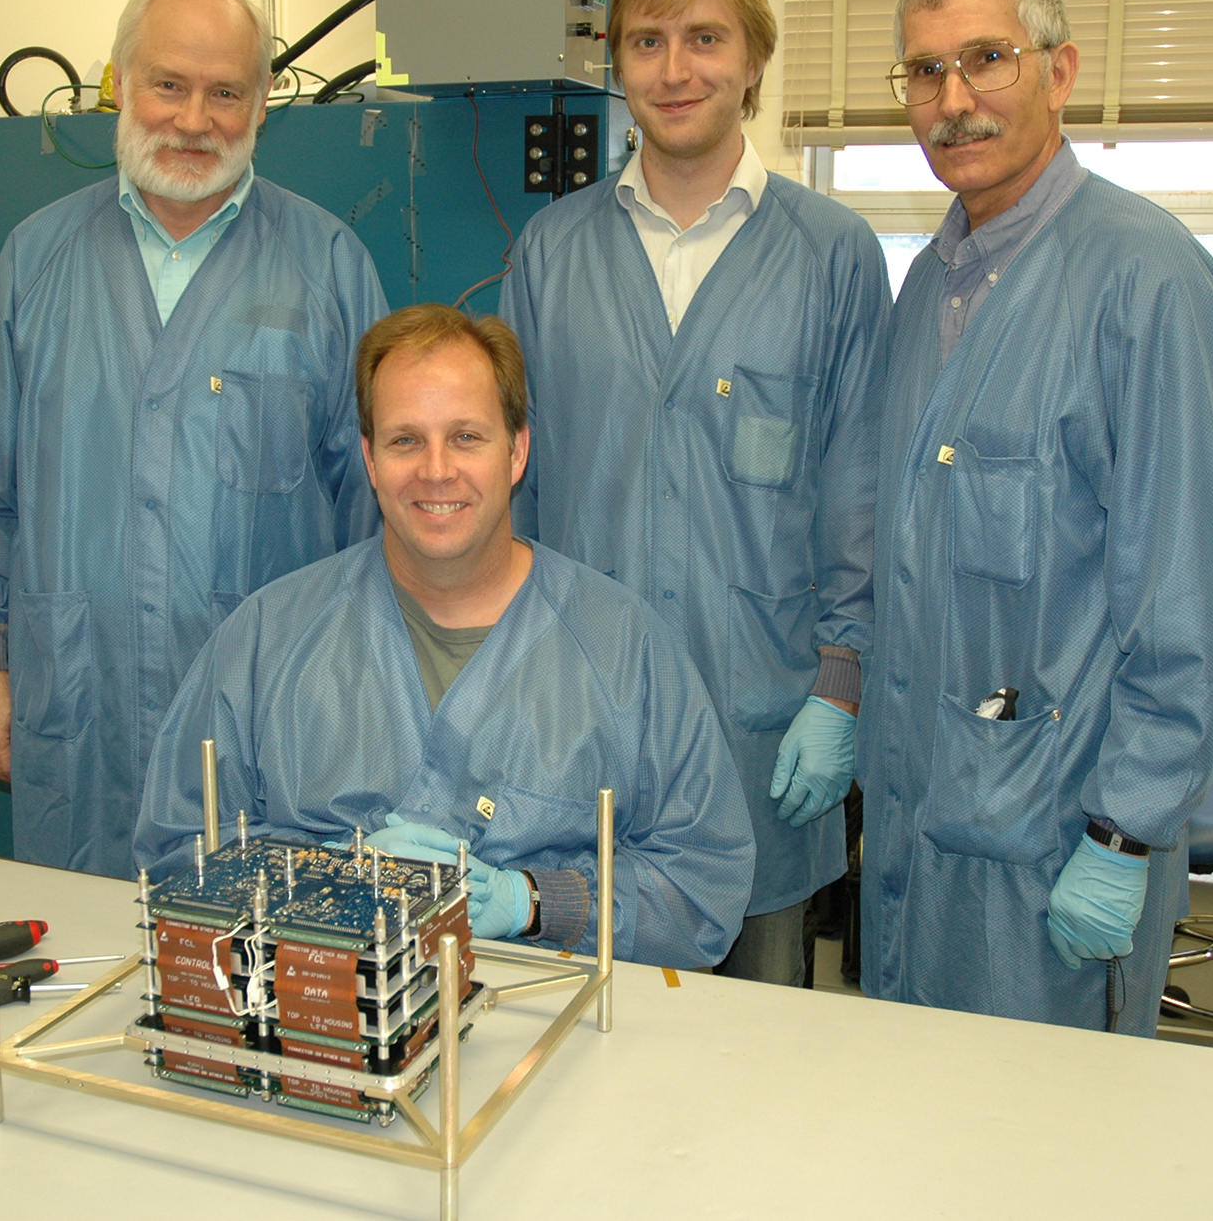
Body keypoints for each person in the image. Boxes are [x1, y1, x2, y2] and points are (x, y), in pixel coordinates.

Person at [858, 0, 1213, 1035]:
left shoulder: (1150, 286)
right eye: (924, 71)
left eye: (985, 58)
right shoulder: (926, 289)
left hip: (1058, 844)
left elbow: (1193, 609)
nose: (953, 100)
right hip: (917, 828)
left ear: (1060, 71)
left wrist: (1125, 833)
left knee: (1053, 1127)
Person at [499, 0, 891, 984]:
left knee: (755, 1045)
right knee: (582, 1031)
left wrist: (840, 686)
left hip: (760, 724)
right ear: (615, 65)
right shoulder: (550, 252)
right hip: (577, 718)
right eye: (647, 41)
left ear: (754, 58)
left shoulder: (833, 256)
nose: (675, 69)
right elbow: (512, 488)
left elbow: (858, 491)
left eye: (705, 38)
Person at [133, 305, 754, 969]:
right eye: (405, 440)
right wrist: (325, 880)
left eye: (465, 436)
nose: (435, 470)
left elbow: (701, 886)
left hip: (552, 1016)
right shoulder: (264, 641)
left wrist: (534, 902)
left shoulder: (626, 649)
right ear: (369, 459)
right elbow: (173, 855)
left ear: (516, 450)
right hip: (325, 1013)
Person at [0, 0, 385, 879]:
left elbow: (375, 499)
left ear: (261, 105)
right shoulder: (36, 260)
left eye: (225, 92)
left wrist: (364, 687)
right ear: (117, 83)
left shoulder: (328, 265)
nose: (193, 119)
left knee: (258, 941)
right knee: (87, 936)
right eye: (168, 84)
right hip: (77, 698)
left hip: (266, 706)